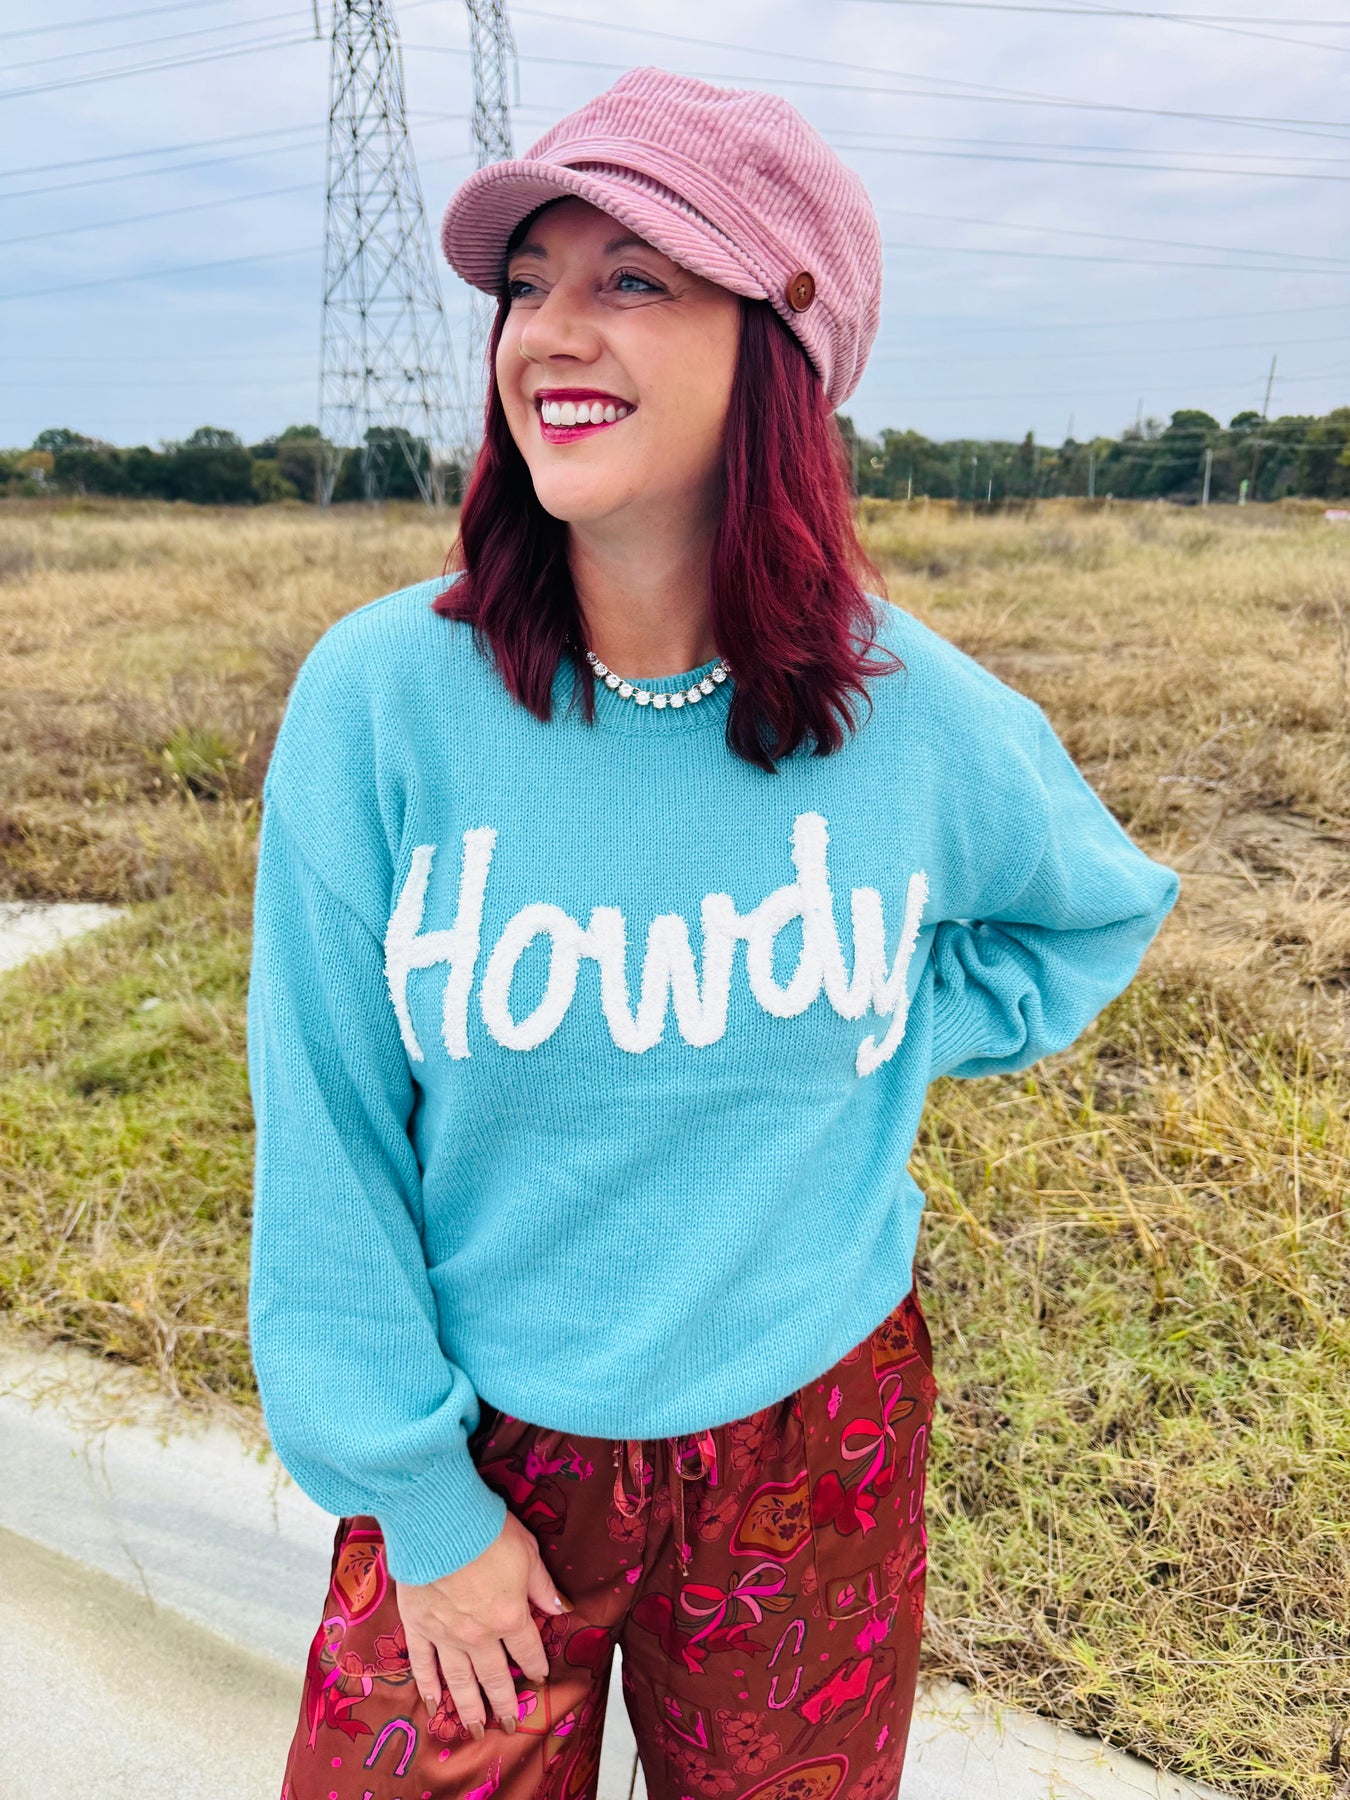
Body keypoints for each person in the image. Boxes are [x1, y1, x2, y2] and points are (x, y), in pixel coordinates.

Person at [246, 66, 1180, 1800]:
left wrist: (881, 1016)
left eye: (632, 278)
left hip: (810, 1440)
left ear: (782, 348)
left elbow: (1090, 916)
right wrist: (420, 1501)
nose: (548, 330)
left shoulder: (910, 714)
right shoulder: (381, 699)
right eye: (529, 282)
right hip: (481, 1450)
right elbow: (325, 1131)